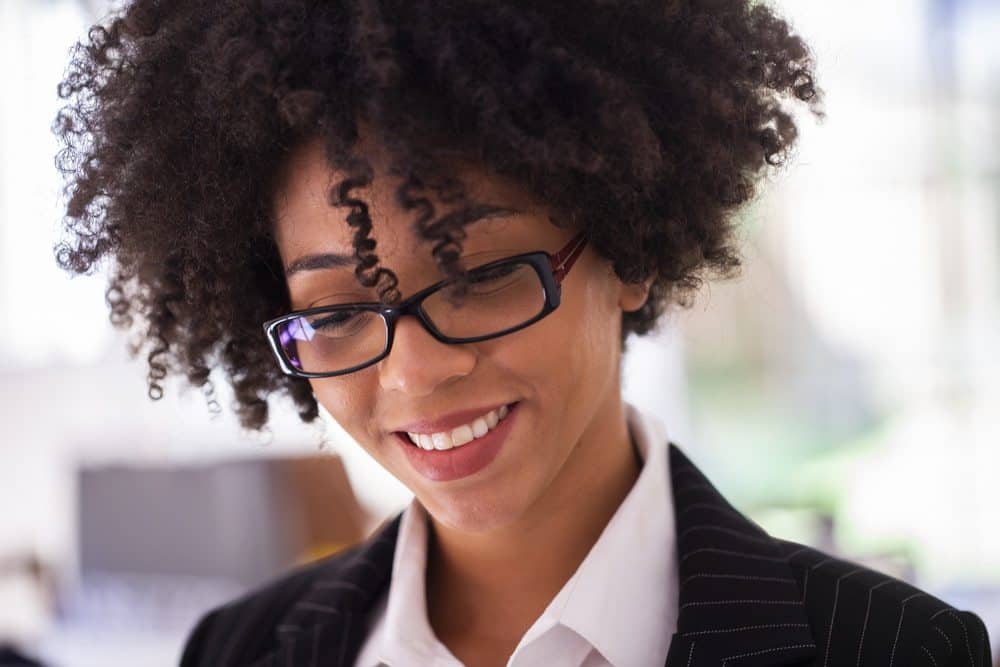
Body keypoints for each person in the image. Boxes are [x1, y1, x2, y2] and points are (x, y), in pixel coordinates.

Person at [53, 1, 992, 666]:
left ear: (629, 248)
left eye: (477, 276)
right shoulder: (240, 650)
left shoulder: (892, 648)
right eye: (338, 312)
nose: (416, 374)